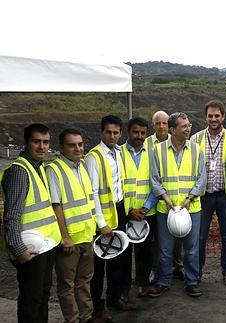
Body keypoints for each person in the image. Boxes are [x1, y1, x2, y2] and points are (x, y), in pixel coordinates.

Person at [1, 123, 62, 323]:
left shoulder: (39, 168)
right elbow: (11, 214)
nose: (42, 146)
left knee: (42, 295)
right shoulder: (20, 171)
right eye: (37, 141)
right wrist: (18, 249)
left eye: (46, 142)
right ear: (26, 142)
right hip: (29, 249)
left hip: (44, 246)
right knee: (31, 299)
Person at [148, 112, 206, 298]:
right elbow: (154, 179)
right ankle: (163, 281)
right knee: (164, 249)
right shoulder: (157, 151)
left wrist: (190, 199)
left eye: (189, 125)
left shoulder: (197, 150)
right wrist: (165, 198)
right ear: (173, 130)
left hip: (192, 209)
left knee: (192, 248)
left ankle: (192, 281)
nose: (188, 128)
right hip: (166, 209)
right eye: (184, 126)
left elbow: (201, 178)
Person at [85, 115, 135, 322]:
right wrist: (101, 223)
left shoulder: (119, 153)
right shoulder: (93, 157)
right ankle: (97, 307)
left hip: (119, 210)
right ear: (101, 132)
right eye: (108, 132)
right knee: (99, 265)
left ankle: (115, 298)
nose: (112, 136)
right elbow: (93, 192)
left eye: (116, 132)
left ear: (120, 133)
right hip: (103, 217)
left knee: (118, 259)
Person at [46, 129, 97, 323]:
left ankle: (86, 316)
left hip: (86, 235)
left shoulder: (82, 167)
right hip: (70, 241)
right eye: (72, 145)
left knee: (84, 281)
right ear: (61, 147)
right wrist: (65, 237)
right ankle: (73, 319)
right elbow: (55, 207)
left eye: (80, 144)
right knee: (67, 285)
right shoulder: (55, 170)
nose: (78, 148)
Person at [191, 100, 226, 286]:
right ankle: (197, 273)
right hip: (204, 196)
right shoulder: (196, 139)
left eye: (217, 115)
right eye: (210, 116)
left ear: (223, 117)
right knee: (199, 237)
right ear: (205, 117)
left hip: (225, 195)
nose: (213, 119)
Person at [120, 117, 159, 297]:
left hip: (146, 213)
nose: (139, 136)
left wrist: (146, 207)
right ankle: (124, 290)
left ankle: (143, 284)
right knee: (124, 255)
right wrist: (129, 211)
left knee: (145, 252)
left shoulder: (151, 154)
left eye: (143, 133)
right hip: (125, 213)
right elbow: (117, 185)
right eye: (136, 132)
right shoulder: (118, 154)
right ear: (128, 132)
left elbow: (155, 183)